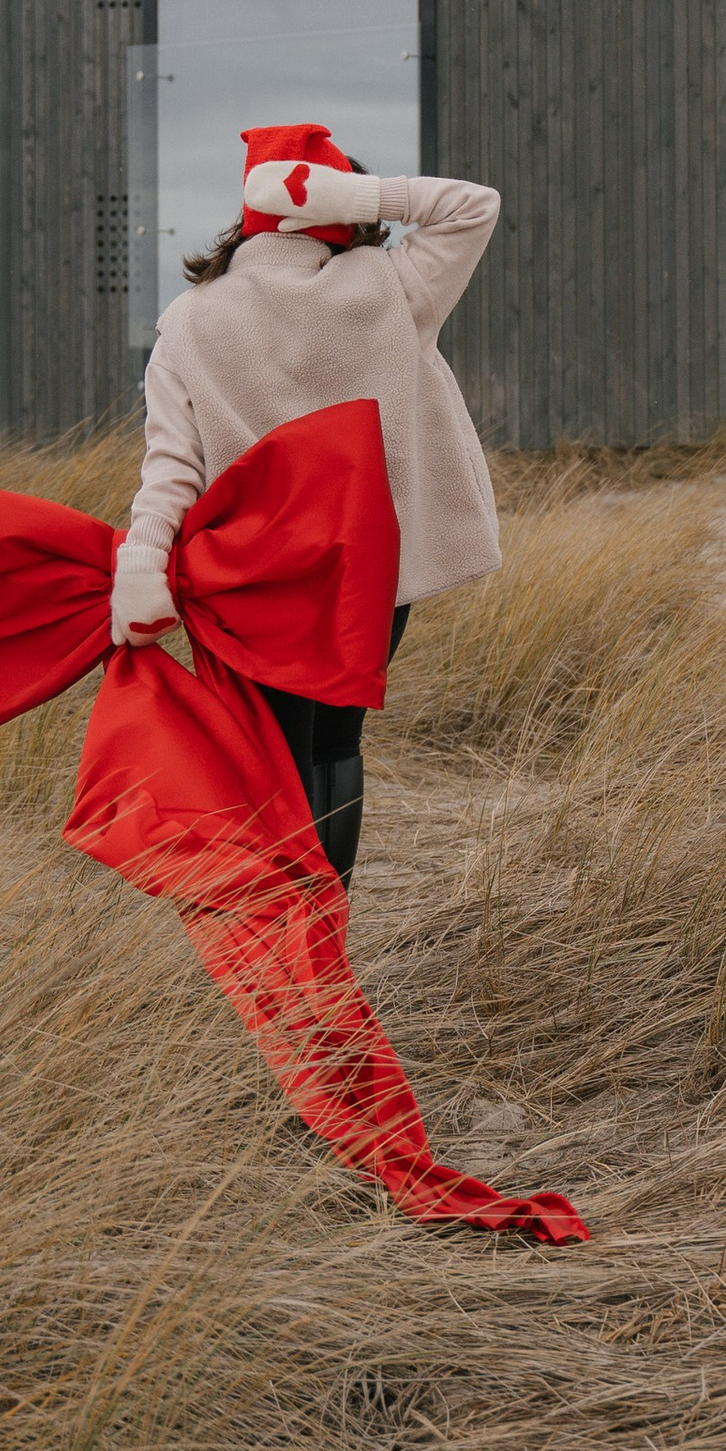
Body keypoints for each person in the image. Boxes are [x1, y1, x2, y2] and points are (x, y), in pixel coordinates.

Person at [111, 122, 501, 884]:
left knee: (272, 760)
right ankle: (328, 922)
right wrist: (363, 195)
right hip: (371, 572)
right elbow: (472, 205)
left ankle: (287, 931)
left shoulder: (189, 319)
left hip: (254, 579)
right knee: (337, 744)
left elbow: (172, 467)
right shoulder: (394, 289)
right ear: (342, 206)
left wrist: (143, 558)